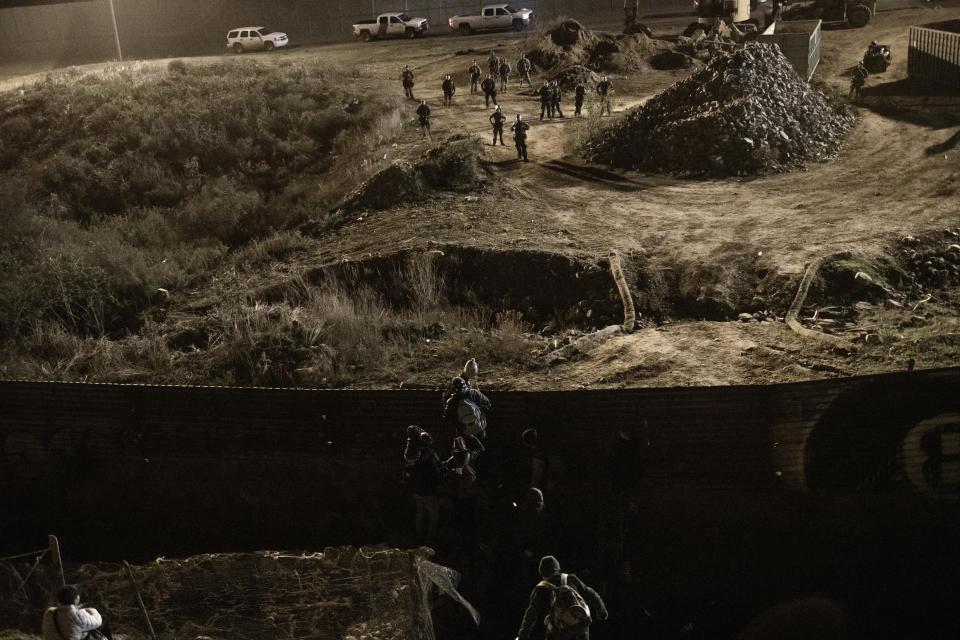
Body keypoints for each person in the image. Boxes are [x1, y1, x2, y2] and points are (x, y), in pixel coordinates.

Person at [515, 555, 608, 640]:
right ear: (558, 568)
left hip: (559, 634)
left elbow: (531, 615)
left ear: (542, 573)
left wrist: (523, 635)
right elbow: (591, 594)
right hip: (581, 628)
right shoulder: (571, 579)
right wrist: (602, 612)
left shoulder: (541, 589)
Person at [403, 425, 443, 547]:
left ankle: (418, 537)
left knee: (420, 513)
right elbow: (435, 472)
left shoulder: (411, 451)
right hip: (428, 491)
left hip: (417, 490)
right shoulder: (426, 455)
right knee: (434, 517)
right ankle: (429, 542)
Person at [43, 584, 112, 640]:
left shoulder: (49, 612)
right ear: (76, 598)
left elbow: (65, 612)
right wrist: (92, 610)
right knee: (104, 619)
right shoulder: (77, 615)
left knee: (81, 628)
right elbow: (98, 621)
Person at [442, 358, 492, 433]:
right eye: (472, 372)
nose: (473, 375)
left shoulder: (466, 382)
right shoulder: (459, 382)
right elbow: (455, 399)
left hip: (465, 418)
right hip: (462, 420)